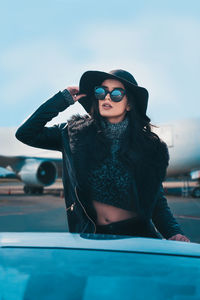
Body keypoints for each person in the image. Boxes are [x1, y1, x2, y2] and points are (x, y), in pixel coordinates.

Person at [15, 69, 190, 242]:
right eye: (101, 92)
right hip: (91, 243)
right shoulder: (71, 134)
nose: (107, 97)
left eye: (116, 94)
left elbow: (155, 200)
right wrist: (63, 98)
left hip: (138, 242)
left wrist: (173, 232)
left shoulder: (145, 146)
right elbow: (26, 133)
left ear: (129, 104)